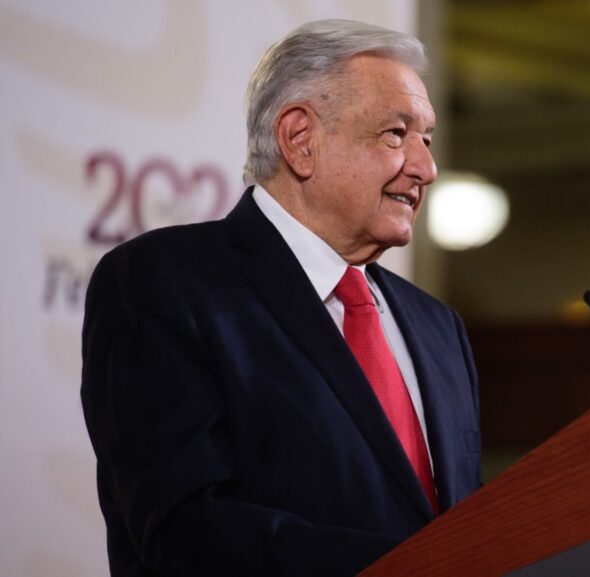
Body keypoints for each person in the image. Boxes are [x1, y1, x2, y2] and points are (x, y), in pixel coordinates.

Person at [80, 20, 481, 577]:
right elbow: (186, 533)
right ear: (299, 139)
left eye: (427, 139)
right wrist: (420, 567)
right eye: (396, 133)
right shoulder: (162, 284)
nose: (427, 168)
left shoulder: (439, 328)